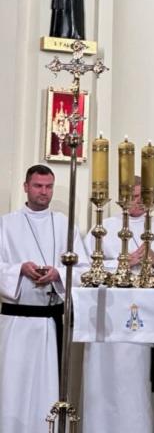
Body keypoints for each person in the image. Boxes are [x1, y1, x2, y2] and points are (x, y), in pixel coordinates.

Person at [82, 177, 154, 433]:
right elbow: (87, 271)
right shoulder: (104, 227)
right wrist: (124, 262)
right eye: (132, 197)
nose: (137, 202)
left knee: (140, 384)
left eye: (142, 197)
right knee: (105, 381)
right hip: (110, 319)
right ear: (122, 197)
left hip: (148, 319)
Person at [0, 164, 88, 433]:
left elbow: (84, 270)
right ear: (26, 187)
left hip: (50, 322)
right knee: (12, 385)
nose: (44, 191)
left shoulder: (64, 225)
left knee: (47, 387)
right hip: (15, 323)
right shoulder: (6, 224)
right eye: (38, 186)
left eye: (49, 187)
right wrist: (19, 269)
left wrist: (57, 273)